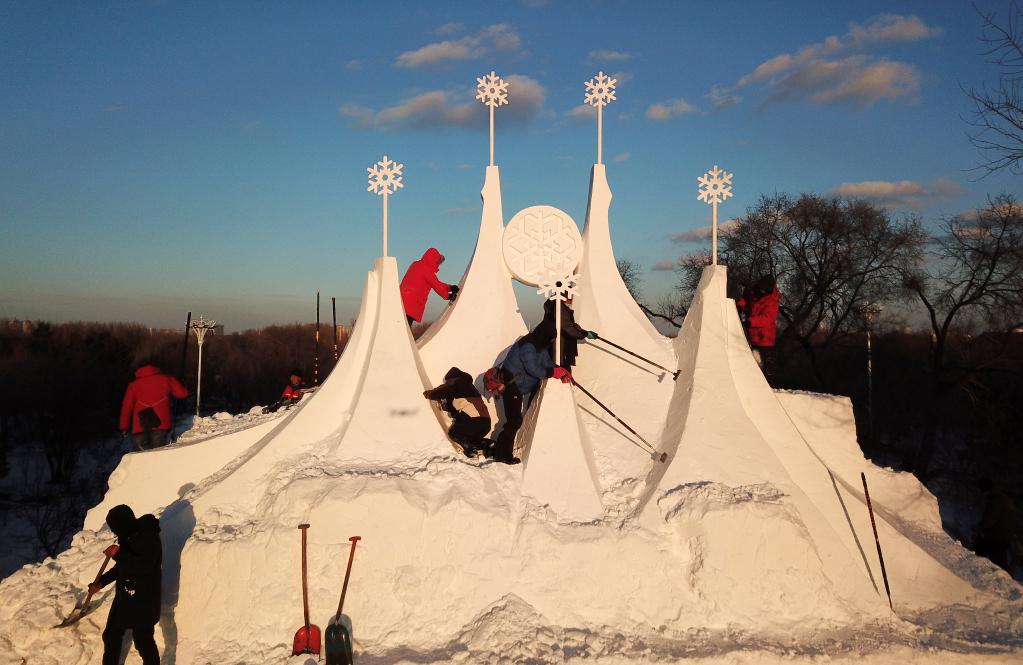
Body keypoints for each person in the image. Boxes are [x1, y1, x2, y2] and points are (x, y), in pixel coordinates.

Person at [485, 327, 572, 464]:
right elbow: (534, 369)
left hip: (518, 386)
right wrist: (554, 373)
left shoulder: (539, 345)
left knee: (514, 421)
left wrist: (560, 370)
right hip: (511, 385)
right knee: (514, 421)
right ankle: (502, 455)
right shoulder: (528, 346)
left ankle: (500, 451)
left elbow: (546, 362)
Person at [89, 504, 162, 665]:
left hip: (144, 598)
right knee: (111, 635)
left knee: (143, 641)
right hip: (126, 596)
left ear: (124, 524)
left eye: (115, 528)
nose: (115, 532)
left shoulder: (148, 537)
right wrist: (101, 582)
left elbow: (144, 566)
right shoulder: (128, 535)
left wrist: (119, 553)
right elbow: (122, 566)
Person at [424, 367, 492, 458]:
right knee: (469, 439)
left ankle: (470, 451)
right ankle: (489, 445)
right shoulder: (467, 386)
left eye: (447, 381)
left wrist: (429, 393)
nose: (447, 383)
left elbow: (441, 391)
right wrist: (444, 406)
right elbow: (454, 405)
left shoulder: (457, 382)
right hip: (485, 423)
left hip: (474, 420)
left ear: (451, 378)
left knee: (455, 432)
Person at [119, 363, 189, 451]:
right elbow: (182, 394)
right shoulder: (166, 379)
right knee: (157, 454)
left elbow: (126, 407)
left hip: (140, 426)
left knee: (141, 457)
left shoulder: (133, 385)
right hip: (161, 424)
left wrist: (124, 427)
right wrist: (181, 383)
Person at [400, 247, 458, 326]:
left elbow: (435, 283)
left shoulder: (416, 265)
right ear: (434, 260)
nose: (438, 265)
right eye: (438, 262)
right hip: (410, 307)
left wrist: (450, 288)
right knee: (404, 333)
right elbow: (436, 285)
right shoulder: (427, 270)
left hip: (401, 302)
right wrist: (449, 296)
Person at [737, 275, 780, 376]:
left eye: (763, 292)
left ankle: (769, 385)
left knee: (766, 367)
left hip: (764, 339)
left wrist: (751, 322)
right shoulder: (754, 292)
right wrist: (739, 306)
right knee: (750, 363)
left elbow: (768, 319)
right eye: (760, 290)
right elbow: (746, 299)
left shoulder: (772, 301)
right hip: (750, 337)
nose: (760, 293)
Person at [539, 296, 597, 368]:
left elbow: (569, 324)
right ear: (563, 297)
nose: (572, 300)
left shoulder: (556, 305)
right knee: (562, 368)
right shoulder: (559, 308)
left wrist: (581, 330)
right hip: (561, 347)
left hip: (556, 345)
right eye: (570, 298)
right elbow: (567, 327)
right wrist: (585, 334)